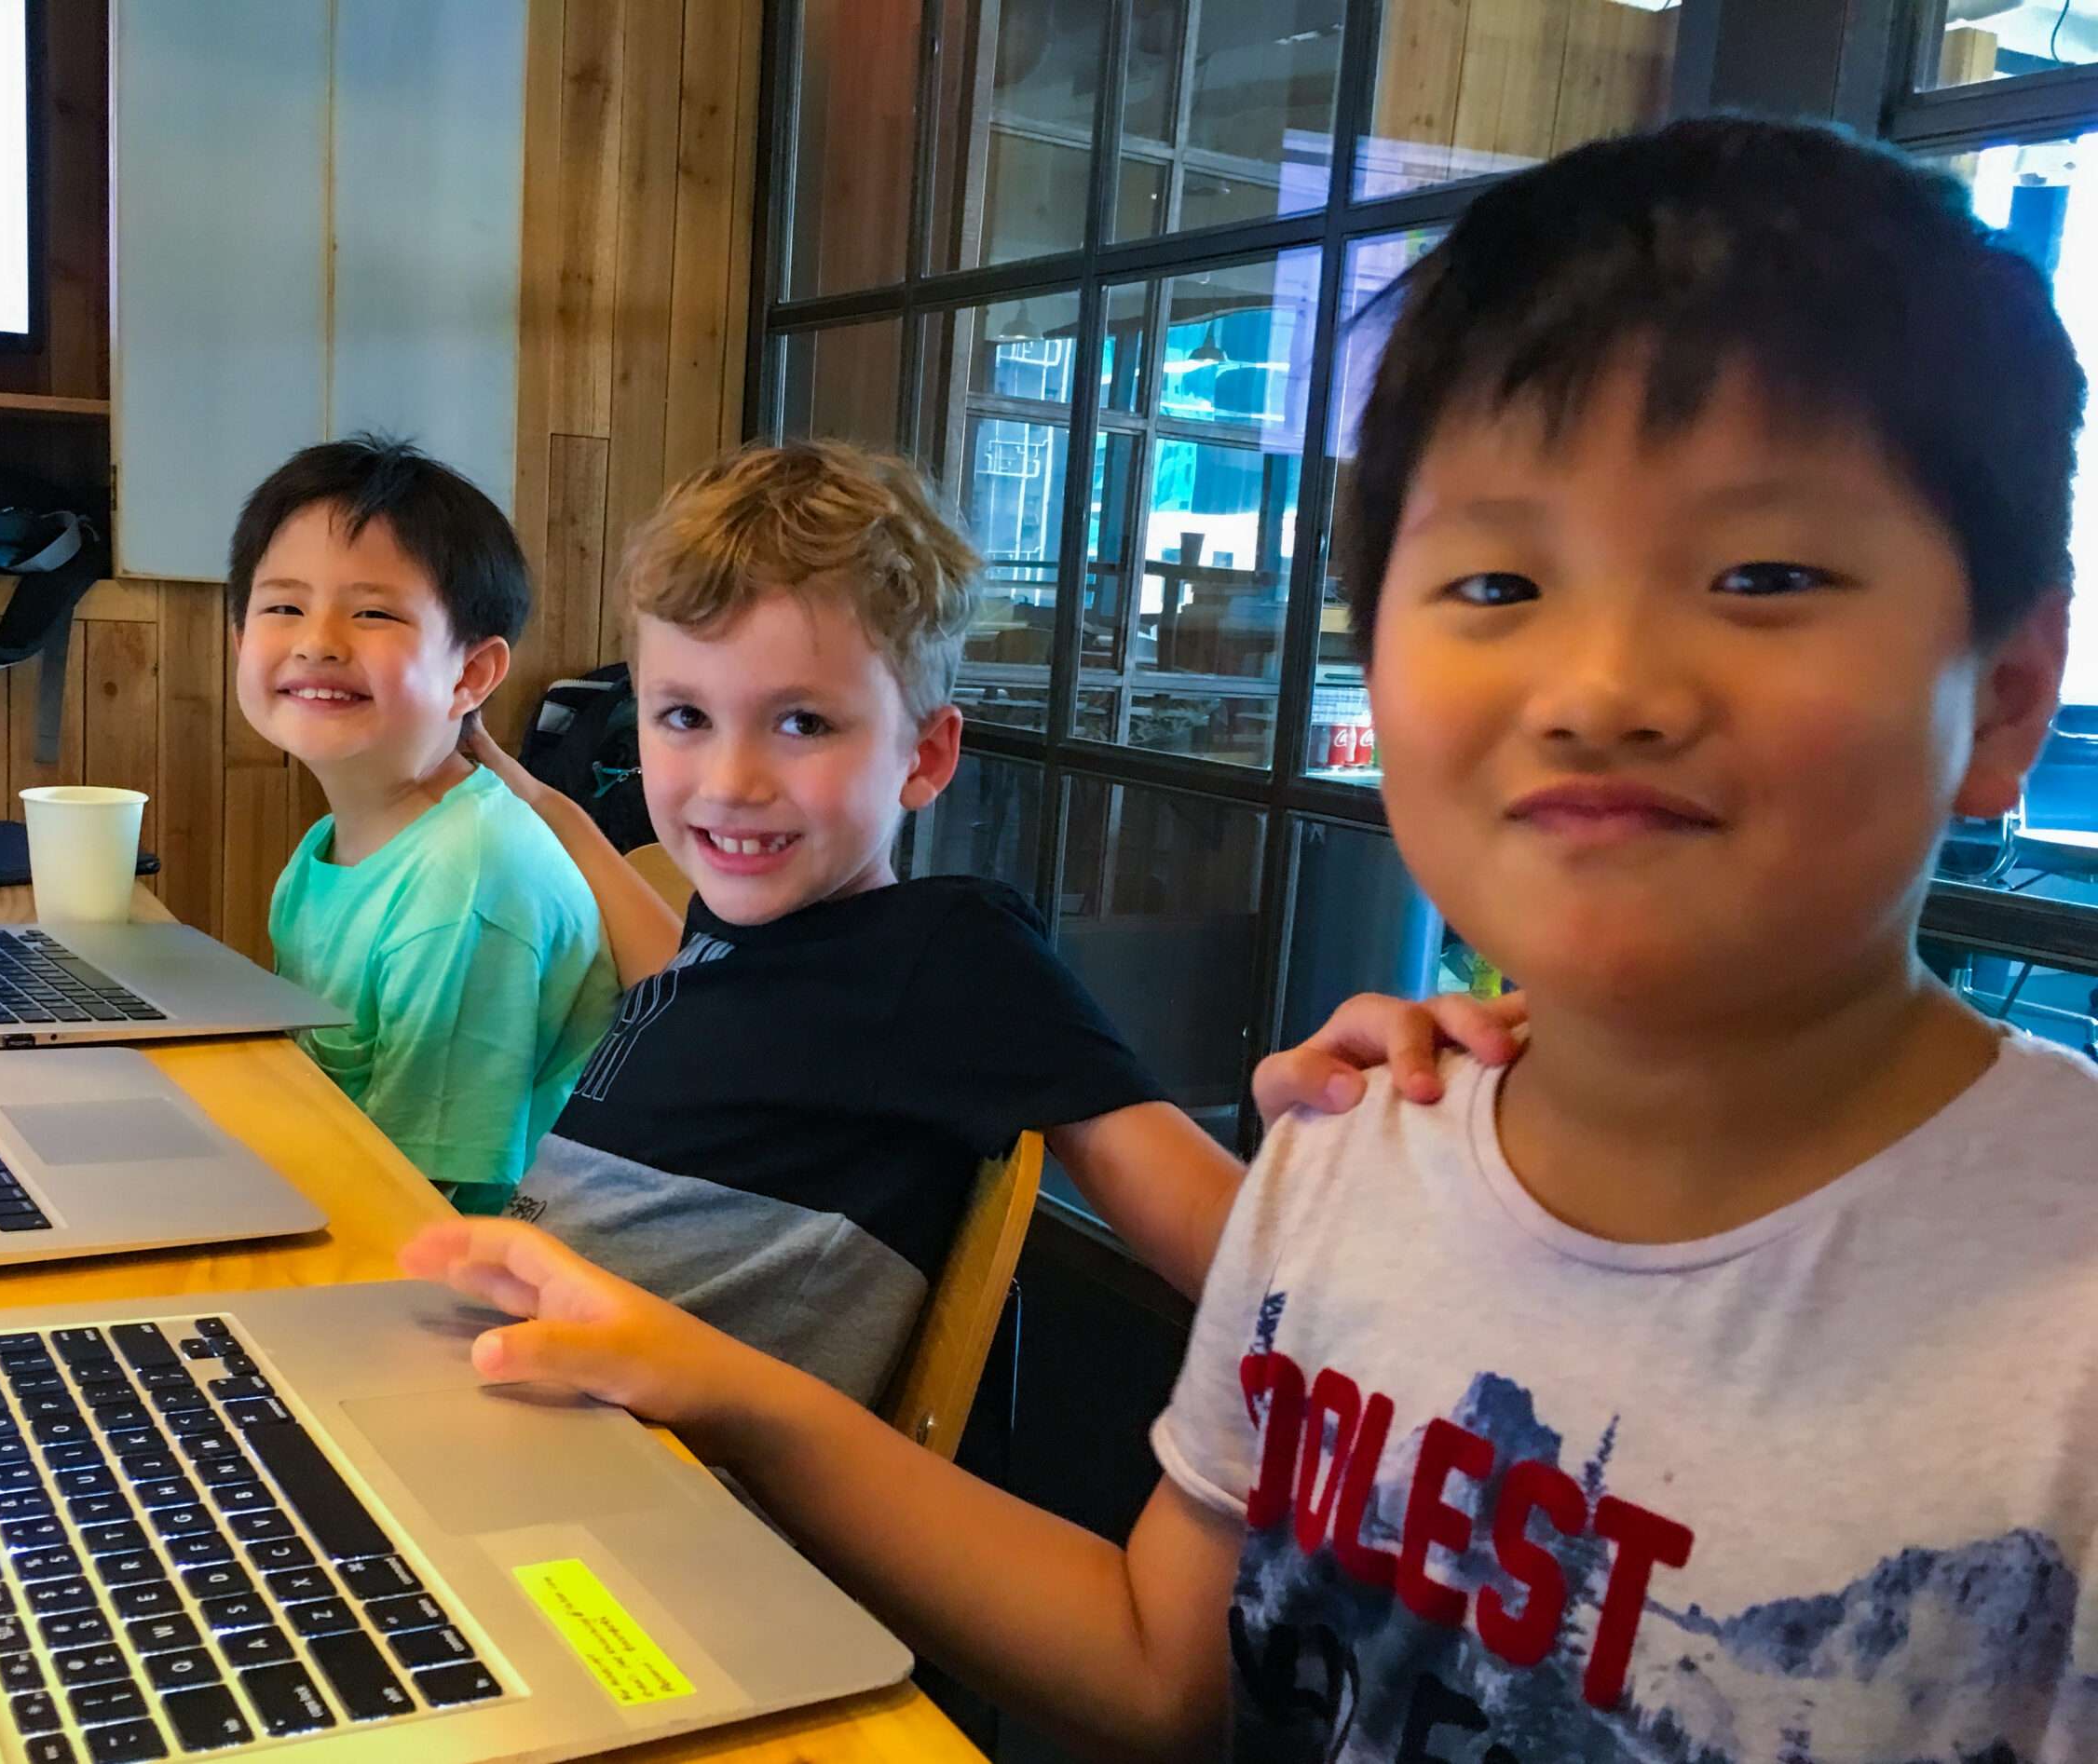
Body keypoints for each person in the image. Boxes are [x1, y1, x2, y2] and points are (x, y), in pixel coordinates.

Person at [404, 116, 2098, 1758]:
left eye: (1764, 573)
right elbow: (1165, 1672)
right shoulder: (1360, 1166)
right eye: (1500, 586)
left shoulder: (2057, 1309)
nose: (1603, 689)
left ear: (2012, 691)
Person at [459, 439, 1250, 1403]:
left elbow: (1247, 1261)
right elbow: (607, 873)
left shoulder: (947, 957)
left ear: (923, 755)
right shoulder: (712, 936)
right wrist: (490, 762)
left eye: (802, 724)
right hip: (518, 1388)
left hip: (660, 1492)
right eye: (683, 717)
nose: (728, 784)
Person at [229, 435, 620, 1212]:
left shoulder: (466, 881)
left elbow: (429, 1201)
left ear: (470, 674)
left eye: (372, 612)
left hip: (451, 1270)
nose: (316, 642)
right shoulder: (330, 848)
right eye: (283, 606)